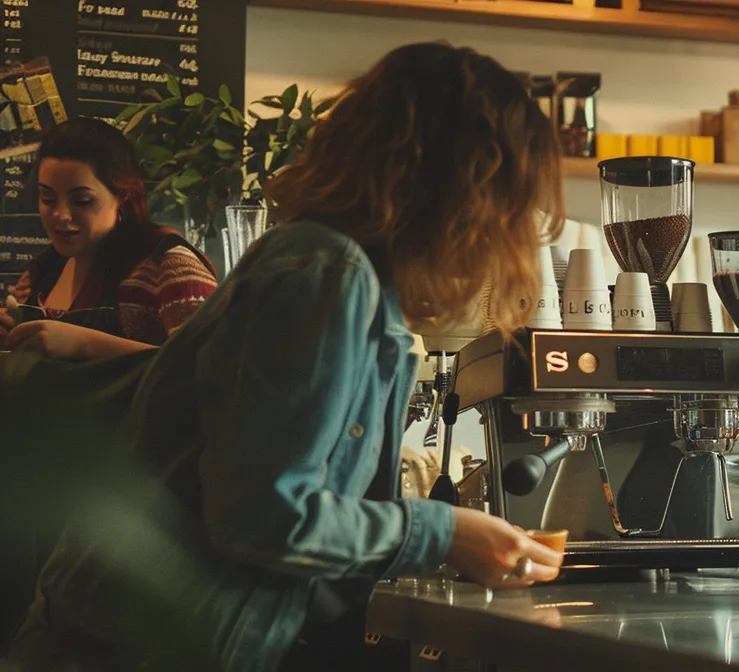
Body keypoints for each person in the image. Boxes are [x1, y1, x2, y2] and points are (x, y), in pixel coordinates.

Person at [11, 42, 566, 671]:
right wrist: (443, 532)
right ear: (463, 190)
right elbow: (263, 516)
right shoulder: (325, 274)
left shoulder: (351, 283)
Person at [0, 117, 217, 360]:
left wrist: (85, 345)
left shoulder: (167, 267)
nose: (61, 215)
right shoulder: (40, 274)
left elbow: (213, 369)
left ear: (122, 197)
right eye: (48, 199)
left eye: (81, 201)